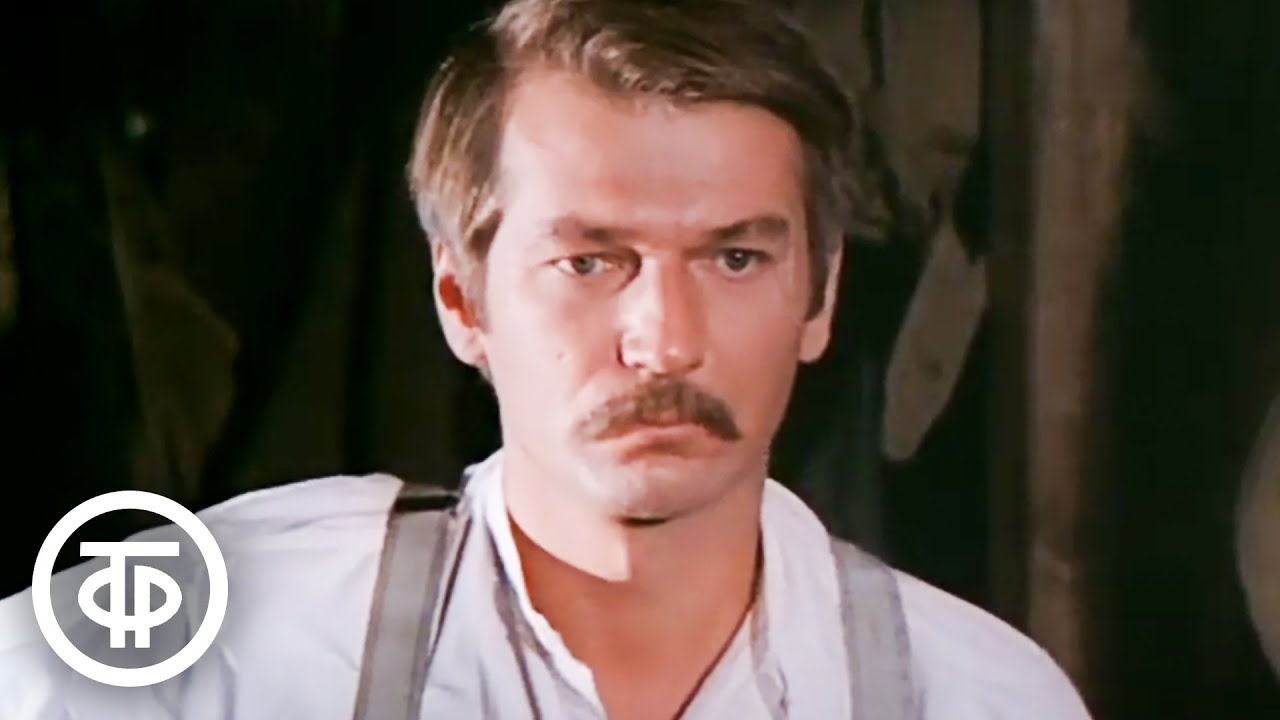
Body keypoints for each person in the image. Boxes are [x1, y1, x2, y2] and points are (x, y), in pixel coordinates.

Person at [0, 0, 1094, 717]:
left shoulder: (977, 696)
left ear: (820, 296)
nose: (664, 340)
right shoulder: (246, 627)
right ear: (460, 300)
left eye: (735, 258)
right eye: (588, 262)